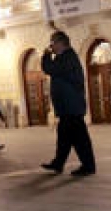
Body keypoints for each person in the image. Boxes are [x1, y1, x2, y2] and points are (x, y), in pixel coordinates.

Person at [40, 30, 96, 176]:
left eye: (53, 43)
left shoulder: (67, 58)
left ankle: (88, 166)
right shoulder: (64, 57)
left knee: (79, 139)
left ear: (60, 43)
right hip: (68, 107)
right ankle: (59, 163)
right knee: (65, 137)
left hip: (71, 107)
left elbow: (49, 69)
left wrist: (46, 55)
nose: (51, 46)